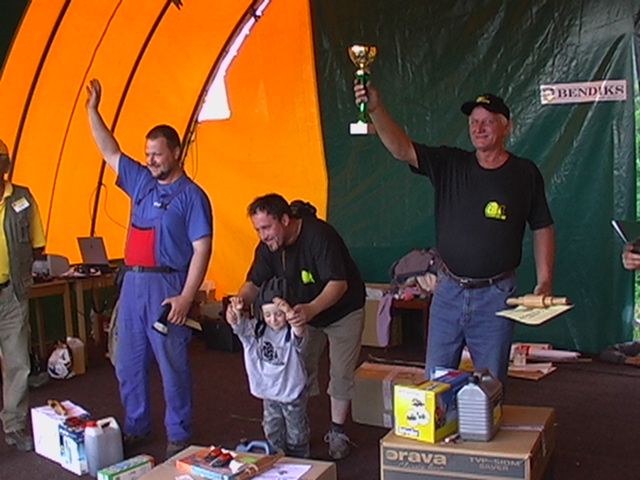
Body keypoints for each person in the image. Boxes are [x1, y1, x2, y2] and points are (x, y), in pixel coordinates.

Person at [354, 84, 555, 384]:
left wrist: (544, 280)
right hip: (448, 290)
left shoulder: (524, 173)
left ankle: (481, 416)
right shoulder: (451, 163)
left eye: (488, 121)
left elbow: (542, 226)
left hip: (496, 295)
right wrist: (375, 109)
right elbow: (401, 149)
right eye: (474, 122)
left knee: (489, 386)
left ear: (507, 126)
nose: (479, 128)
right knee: (436, 384)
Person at [85, 79, 213, 459]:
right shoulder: (140, 181)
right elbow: (109, 150)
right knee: (127, 364)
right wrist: (93, 111)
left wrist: (186, 297)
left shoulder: (193, 197)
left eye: (157, 154)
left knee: (172, 365)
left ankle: (179, 432)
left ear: (176, 152)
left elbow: (202, 248)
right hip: (133, 286)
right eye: (147, 154)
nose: (151, 160)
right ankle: (137, 425)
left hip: (167, 287)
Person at [229, 193, 365, 460]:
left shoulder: (320, 236)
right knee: (299, 367)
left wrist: (311, 309)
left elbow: (338, 284)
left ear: (285, 220)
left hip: (343, 310)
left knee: (340, 373)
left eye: (266, 228)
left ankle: (337, 431)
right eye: (257, 230)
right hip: (302, 314)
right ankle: (297, 426)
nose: (263, 236)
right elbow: (254, 283)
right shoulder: (268, 248)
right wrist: (238, 302)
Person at [226, 277, 309, 458]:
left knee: (296, 429)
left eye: (279, 314)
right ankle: (276, 455)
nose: (273, 319)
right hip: (269, 392)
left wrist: (290, 312)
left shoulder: (291, 332)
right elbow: (240, 329)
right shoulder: (257, 330)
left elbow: (299, 331)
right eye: (268, 314)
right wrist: (236, 313)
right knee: (272, 427)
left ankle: (300, 456)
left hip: (291, 391)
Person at [0, 138, 46, 451]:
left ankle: (15, 425)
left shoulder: (23, 198)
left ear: (6, 165)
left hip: (11, 294)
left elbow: (37, 244)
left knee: (18, 362)